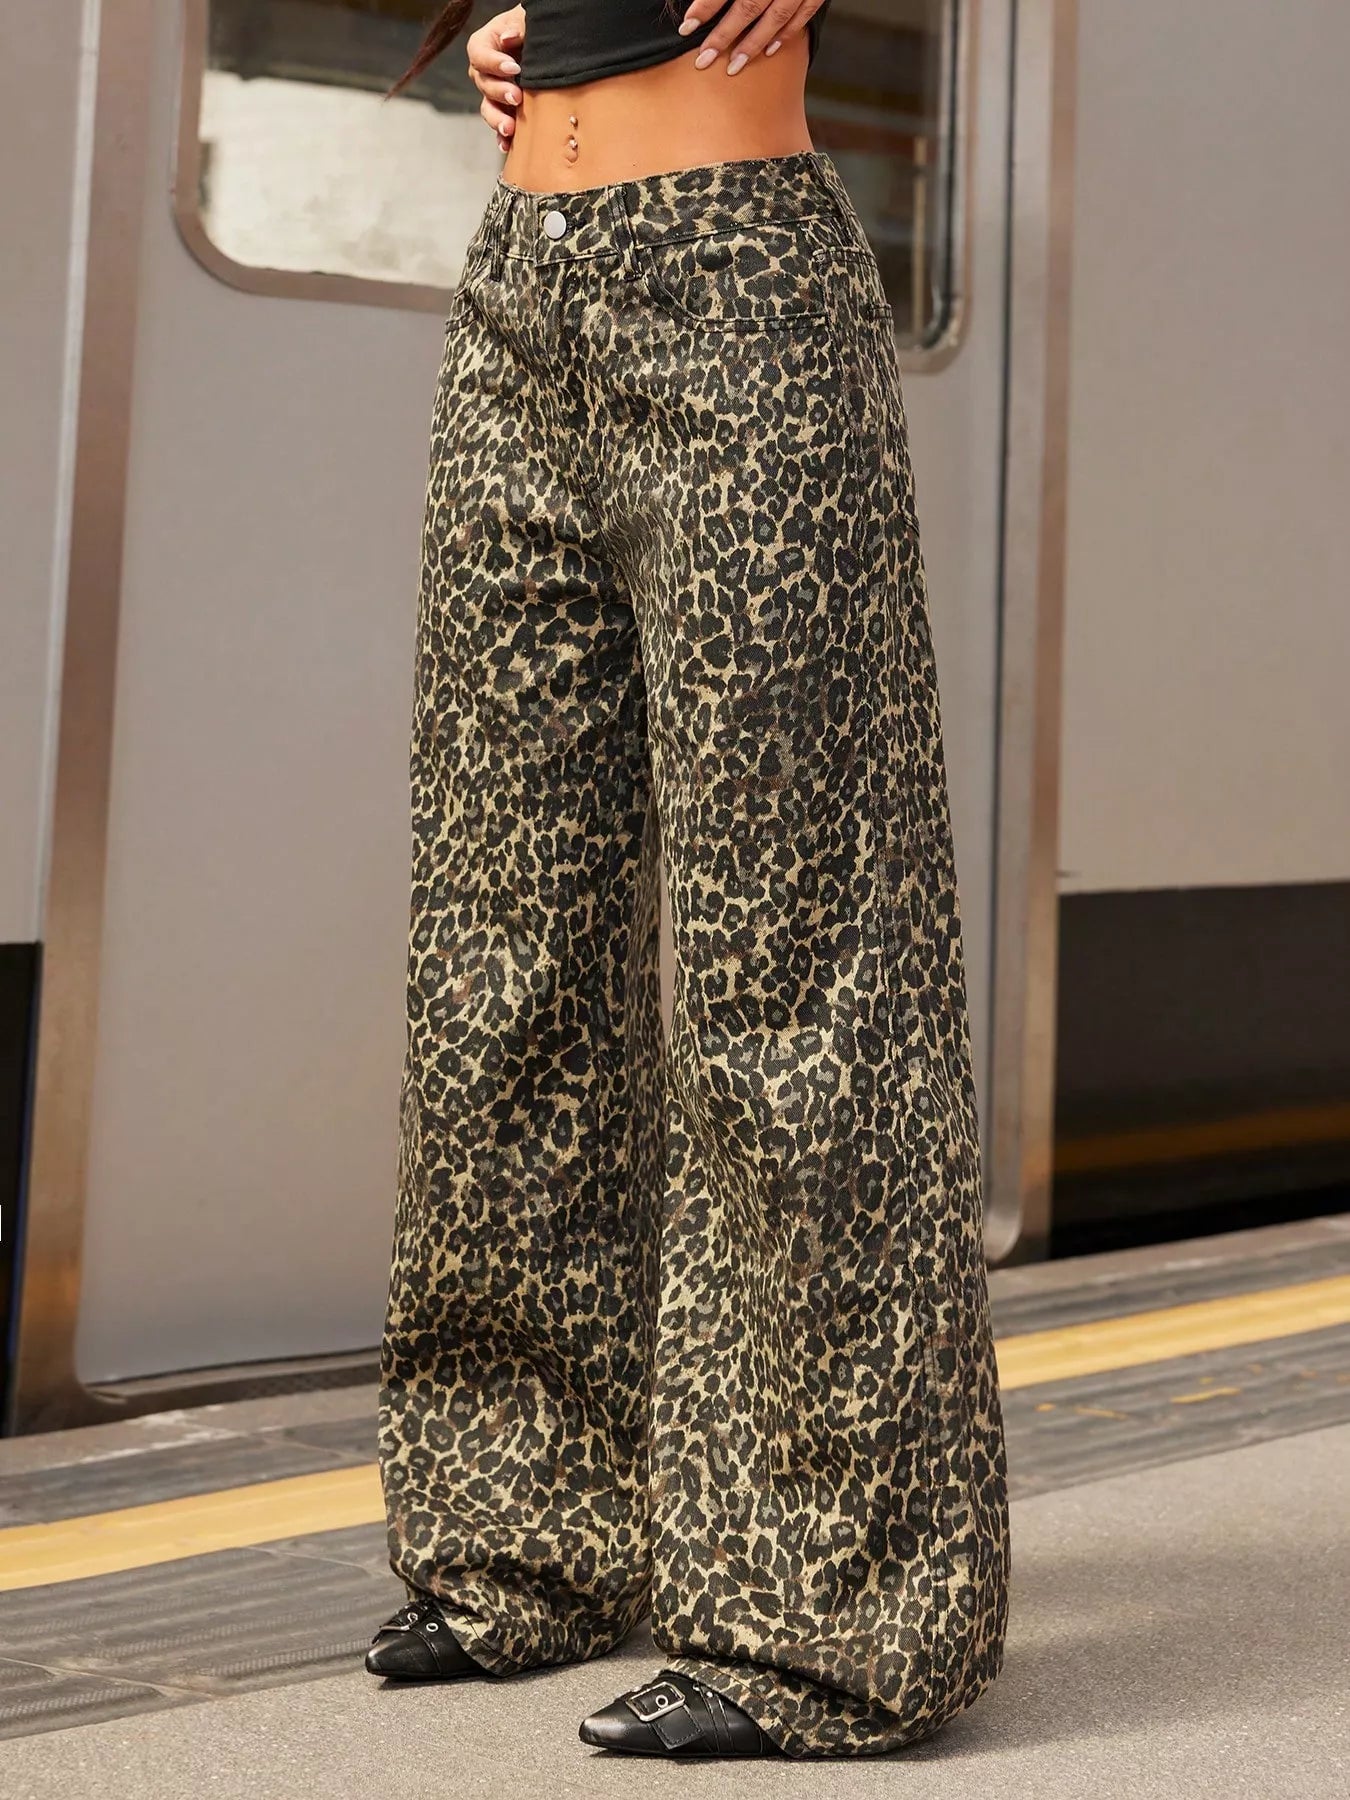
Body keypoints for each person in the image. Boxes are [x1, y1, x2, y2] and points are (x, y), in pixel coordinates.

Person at [366, 0, 1010, 1761]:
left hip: (736, 284)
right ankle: (535, 1538)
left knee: (787, 964)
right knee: (502, 940)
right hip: (521, 286)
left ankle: (828, 1615)